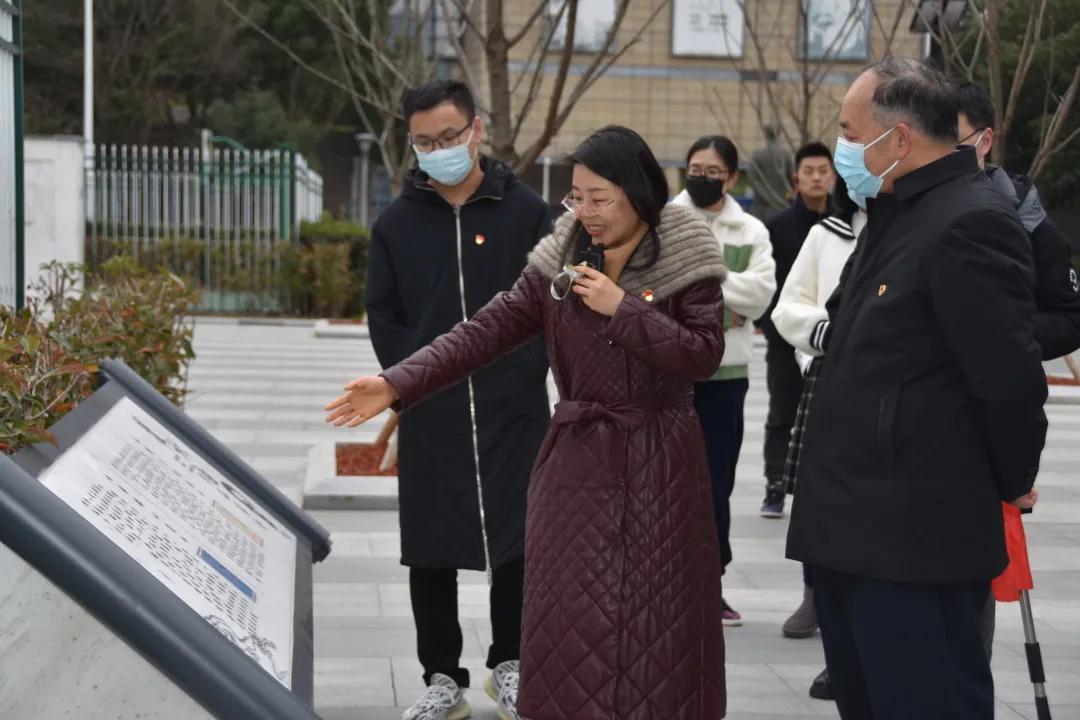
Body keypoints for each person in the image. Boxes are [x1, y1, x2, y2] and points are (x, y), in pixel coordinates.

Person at [328, 125, 729, 720]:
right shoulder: (560, 257)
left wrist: (623, 309)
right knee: (572, 618)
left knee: (658, 621)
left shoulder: (685, 252)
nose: (586, 212)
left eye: (600, 198)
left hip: (660, 460)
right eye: (577, 196)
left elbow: (703, 353)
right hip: (576, 462)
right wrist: (396, 383)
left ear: (638, 192)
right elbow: (483, 331)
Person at [787, 57, 1047, 719]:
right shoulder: (896, 210)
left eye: (850, 131)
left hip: (914, 540)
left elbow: (1009, 381)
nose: (842, 146)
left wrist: (1008, 477)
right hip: (854, 532)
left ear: (897, 138)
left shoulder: (969, 222)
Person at [364, 79, 552, 720]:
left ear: (475, 130)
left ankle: (513, 662)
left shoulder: (528, 212)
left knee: (521, 537)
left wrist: (529, 370)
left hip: (516, 406)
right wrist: (409, 379)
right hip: (433, 408)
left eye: (448, 137)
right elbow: (383, 314)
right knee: (430, 541)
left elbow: (554, 304)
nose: (438, 150)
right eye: (424, 142)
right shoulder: (395, 223)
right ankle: (443, 677)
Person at [953, 81, 1080, 661]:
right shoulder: (893, 206)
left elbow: (1068, 315)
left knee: (969, 581)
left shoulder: (1023, 213)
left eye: (950, 141)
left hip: (989, 425)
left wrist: (1003, 339)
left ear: (985, 141)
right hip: (903, 428)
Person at [671, 135, 775, 628]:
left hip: (726, 375)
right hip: (670, 371)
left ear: (732, 178)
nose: (703, 177)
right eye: (695, 168)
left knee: (714, 485)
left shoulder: (749, 230)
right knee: (666, 483)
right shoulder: (663, 222)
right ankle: (664, 583)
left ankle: (710, 584)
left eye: (713, 171)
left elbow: (759, 298)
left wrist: (702, 279)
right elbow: (650, 288)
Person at [770, 174, 865, 700]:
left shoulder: (915, 226)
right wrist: (822, 338)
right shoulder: (827, 233)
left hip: (891, 395)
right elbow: (789, 306)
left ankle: (865, 649)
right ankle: (836, 649)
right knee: (824, 522)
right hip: (829, 385)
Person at [757, 142, 834, 518]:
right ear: (796, 179)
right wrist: (768, 323)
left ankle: (818, 487)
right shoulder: (777, 227)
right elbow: (765, 284)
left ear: (833, 177)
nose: (817, 177)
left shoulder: (846, 225)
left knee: (828, 417)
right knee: (781, 414)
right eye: (809, 171)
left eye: (823, 170)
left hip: (832, 343)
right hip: (784, 339)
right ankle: (775, 485)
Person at [748, 125, 795, 221]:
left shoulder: (757, 155)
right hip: (782, 204)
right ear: (778, 135)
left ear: (765, 135)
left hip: (761, 206)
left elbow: (754, 180)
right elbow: (792, 180)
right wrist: (789, 198)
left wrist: (765, 196)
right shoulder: (786, 154)